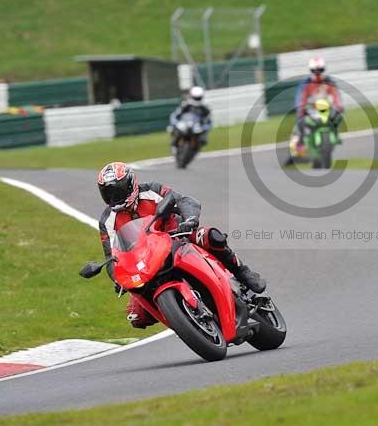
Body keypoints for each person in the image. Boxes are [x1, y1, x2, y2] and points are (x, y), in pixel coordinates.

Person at [96, 161, 266, 329]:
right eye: (108, 194)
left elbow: (185, 200)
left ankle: (243, 272)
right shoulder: (107, 221)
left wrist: (190, 219)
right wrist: (119, 278)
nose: (113, 198)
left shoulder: (151, 190)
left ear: (130, 184)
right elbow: (112, 257)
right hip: (146, 261)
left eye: (116, 192)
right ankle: (185, 320)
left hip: (178, 237)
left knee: (211, 237)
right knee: (136, 316)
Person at [294, 57, 344, 149]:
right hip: (310, 109)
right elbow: (300, 98)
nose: (318, 73)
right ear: (311, 71)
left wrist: (339, 105)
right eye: (315, 71)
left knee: (339, 116)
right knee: (301, 120)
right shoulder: (305, 84)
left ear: (324, 70)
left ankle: (336, 133)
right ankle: (300, 140)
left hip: (326, 108)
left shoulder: (330, 82)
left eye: (320, 70)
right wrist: (300, 108)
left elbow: (336, 95)